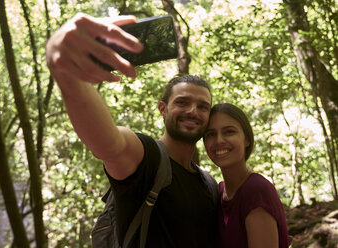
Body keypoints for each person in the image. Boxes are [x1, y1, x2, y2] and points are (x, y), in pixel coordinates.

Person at [46, 13, 219, 247]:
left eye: (203, 107)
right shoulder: (146, 158)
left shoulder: (208, 183)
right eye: (182, 102)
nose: (192, 111)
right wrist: (67, 71)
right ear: (163, 109)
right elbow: (109, 143)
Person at [203, 103, 290, 248]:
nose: (219, 140)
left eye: (229, 132)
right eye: (211, 134)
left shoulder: (256, 190)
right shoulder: (218, 191)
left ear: (247, 139)